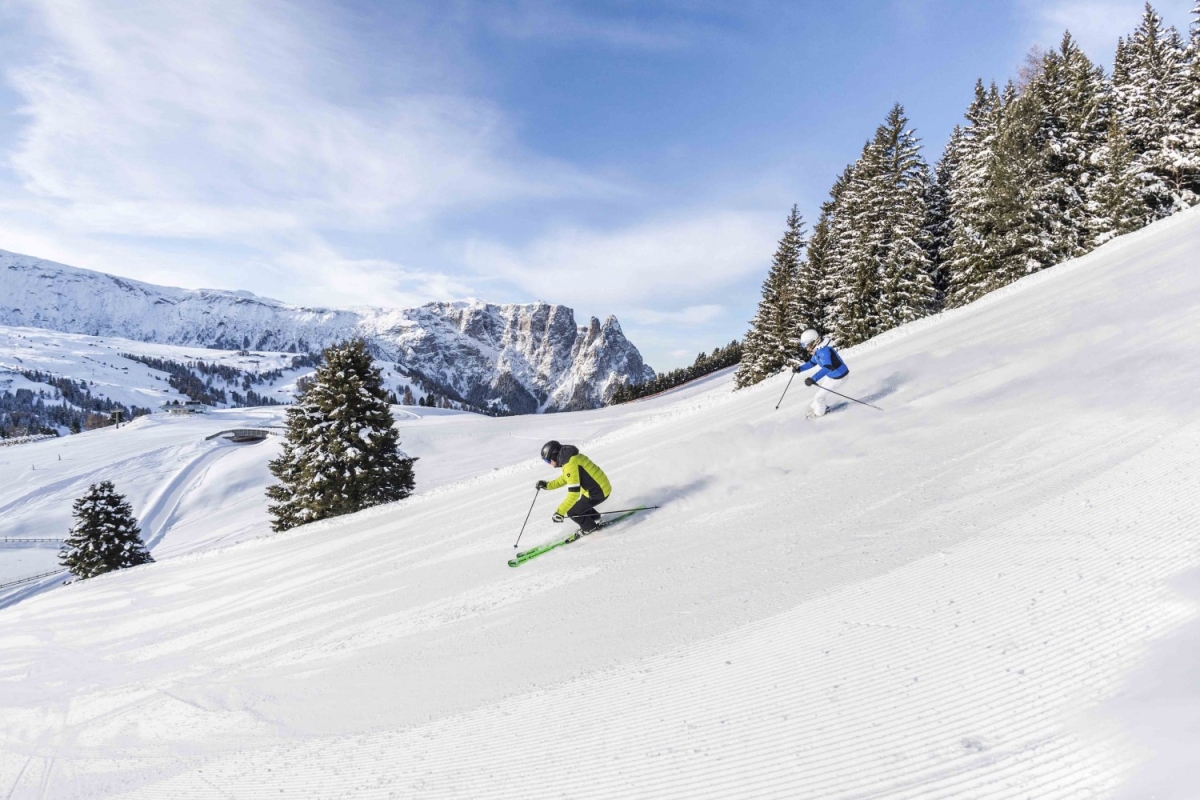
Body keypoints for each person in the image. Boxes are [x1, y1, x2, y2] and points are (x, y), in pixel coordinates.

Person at [535, 440, 611, 534]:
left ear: (553, 455)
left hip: (598, 491)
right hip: (599, 488)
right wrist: (547, 485)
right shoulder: (570, 458)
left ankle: (590, 528)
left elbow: (574, 493)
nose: (548, 464)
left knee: (573, 512)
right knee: (580, 506)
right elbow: (567, 478)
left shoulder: (569, 464)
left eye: (547, 460)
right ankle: (595, 518)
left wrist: (560, 512)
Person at [793, 329, 849, 418]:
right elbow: (812, 363)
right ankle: (818, 408)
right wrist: (800, 369)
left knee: (819, 397)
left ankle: (819, 414)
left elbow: (827, 367)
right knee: (817, 398)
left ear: (814, 342)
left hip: (839, 377)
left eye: (808, 345)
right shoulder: (817, 351)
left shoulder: (824, 351)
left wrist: (813, 379)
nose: (807, 348)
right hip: (831, 376)